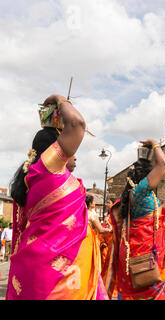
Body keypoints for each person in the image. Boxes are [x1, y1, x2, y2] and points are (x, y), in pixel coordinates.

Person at [7, 93, 107, 300]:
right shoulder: (47, 168)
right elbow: (77, 124)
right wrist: (60, 99)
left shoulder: (34, 179)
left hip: (41, 268)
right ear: (52, 150)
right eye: (68, 148)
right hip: (59, 278)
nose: (75, 154)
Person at [115, 139, 165, 300]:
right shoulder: (141, 191)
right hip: (146, 256)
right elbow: (163, 164)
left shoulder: (132, 194)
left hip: (140, 251)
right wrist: (156, 144)